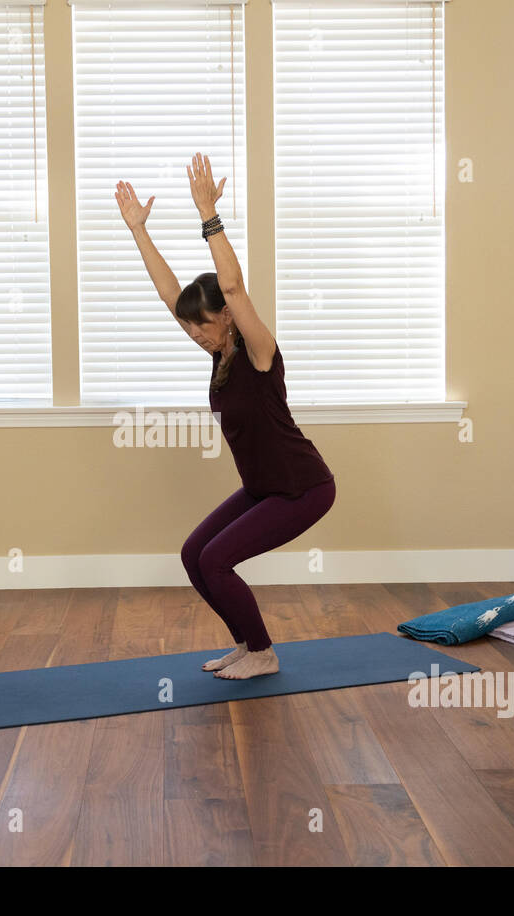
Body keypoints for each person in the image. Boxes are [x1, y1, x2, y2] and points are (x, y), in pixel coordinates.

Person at [115, 153, 336, 679]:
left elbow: (233, 288)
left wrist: (208, 215)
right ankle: (246, 643)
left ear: (229, 321)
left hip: (301, 488)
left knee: (216, 560)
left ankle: (263, 653)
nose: (193, 332)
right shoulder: (220, 354)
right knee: (196, 554)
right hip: (263, 488)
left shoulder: (259, 353)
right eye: (190, 327)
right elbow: (173, 297)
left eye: (203, 324)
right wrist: (138, 232)